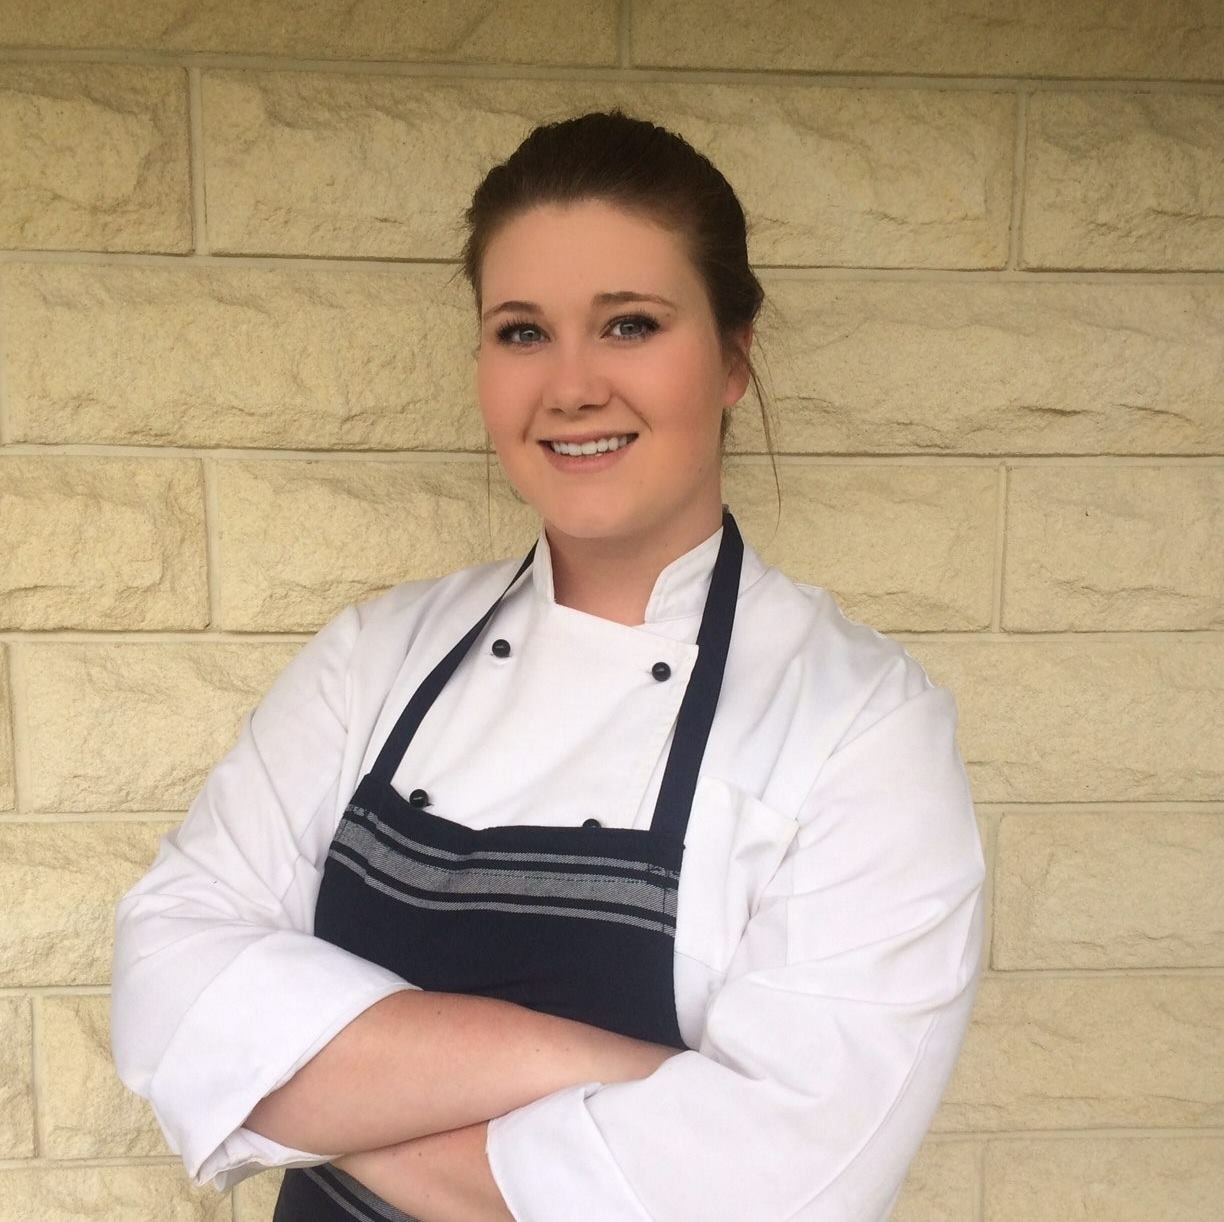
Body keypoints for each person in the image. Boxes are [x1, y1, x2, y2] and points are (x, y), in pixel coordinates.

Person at [110, 110, 985, 1221]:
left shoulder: (862, 726)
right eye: (522, 332)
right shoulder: (374, 656)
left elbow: (774, 1190)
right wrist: (601, 1069)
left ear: (732, 357)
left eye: (629, 324)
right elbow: (166, 973)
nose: (571, 386)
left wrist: (307, 1097)